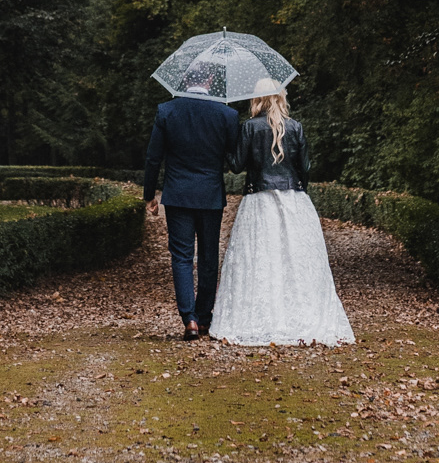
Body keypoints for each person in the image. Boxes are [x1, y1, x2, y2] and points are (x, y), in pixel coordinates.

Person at [209, 77, 354, 346]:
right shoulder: (295, 127)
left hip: (258, 200)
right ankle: (299, 314)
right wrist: (299, 193)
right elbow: (305, 167)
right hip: (294, 199)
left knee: (259, 257)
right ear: (280, 96)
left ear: (258, 98)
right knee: (295, 258)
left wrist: (226, 144)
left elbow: (236, 166)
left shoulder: (249, 127)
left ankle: (259, 316)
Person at [143, 62, 242, 341]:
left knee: (182, 256)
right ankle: (204, 316)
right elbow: (234, 158)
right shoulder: (227, 114)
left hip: (178, 195)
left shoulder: (167, 111)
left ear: (185, 80)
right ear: (209, 80)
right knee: (209, 256)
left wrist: (149, 195)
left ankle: (189, 319)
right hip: (210, 195)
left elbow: (153, 157)